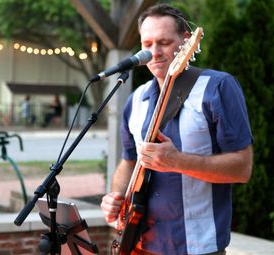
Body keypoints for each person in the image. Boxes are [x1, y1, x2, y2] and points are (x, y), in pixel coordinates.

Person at [100, 3, 253, 255]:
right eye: (147, 44)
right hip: (138, 242)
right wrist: (116, 197)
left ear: (186, 41)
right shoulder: (136, 99)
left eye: (164, 42)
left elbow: (242, 168)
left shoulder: (218, 87)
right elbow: (129, 161)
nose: (154, 52)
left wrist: (177, 161)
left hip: (197, 247)